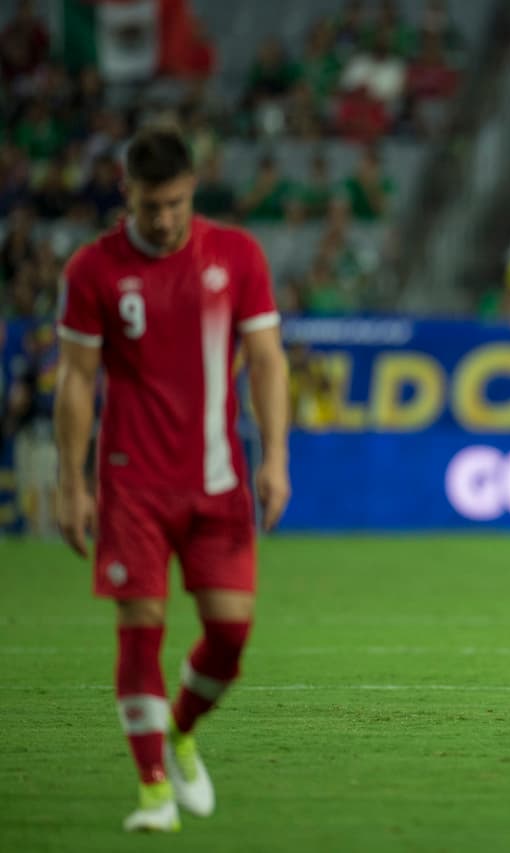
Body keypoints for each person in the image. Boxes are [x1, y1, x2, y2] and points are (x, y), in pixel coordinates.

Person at [54, 125, 291, 831]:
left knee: (230, 636)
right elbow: (75, 380)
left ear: (193, 192)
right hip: (132, 484)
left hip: (218, 481)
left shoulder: (237, 254)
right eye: (150, 206)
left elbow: (269, 360)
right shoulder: (92, 270)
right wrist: (71, 482)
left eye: (176, 204)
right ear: (127, 194)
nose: (163, 219)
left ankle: (181, 729)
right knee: (140, 629)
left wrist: (275, 455)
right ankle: (153, 790)